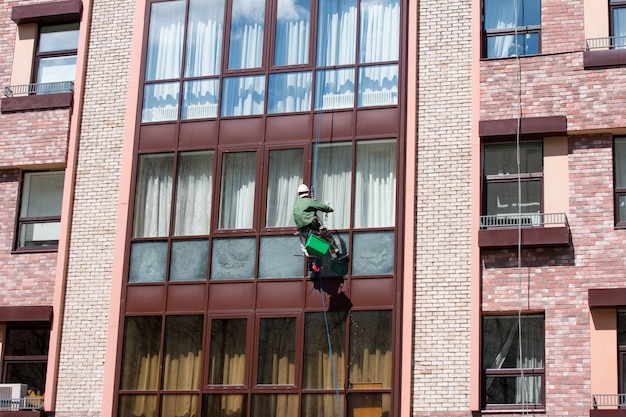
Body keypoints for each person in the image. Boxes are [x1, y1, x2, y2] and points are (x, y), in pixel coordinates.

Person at [293, 184, 340, 255]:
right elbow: (321, 206)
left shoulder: (297, 203)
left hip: (301, 229)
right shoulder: (309, 201)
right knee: (326, 234)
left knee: (315, 240)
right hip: (310, 224)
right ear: (307, 192)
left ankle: (313, 255)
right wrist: (330, 209)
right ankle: (337, 253)